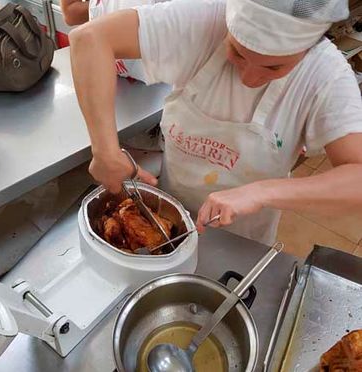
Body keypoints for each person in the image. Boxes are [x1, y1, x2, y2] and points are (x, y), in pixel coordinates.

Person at [69, 0, 362, 246]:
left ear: (307, 48)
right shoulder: (204, 18)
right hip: (168, 219)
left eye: (275, 67)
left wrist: (262, 192)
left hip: (242, 243)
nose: (248, 79)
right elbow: (89, 39)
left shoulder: (325, 75)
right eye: (237, 52)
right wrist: (105, 151)